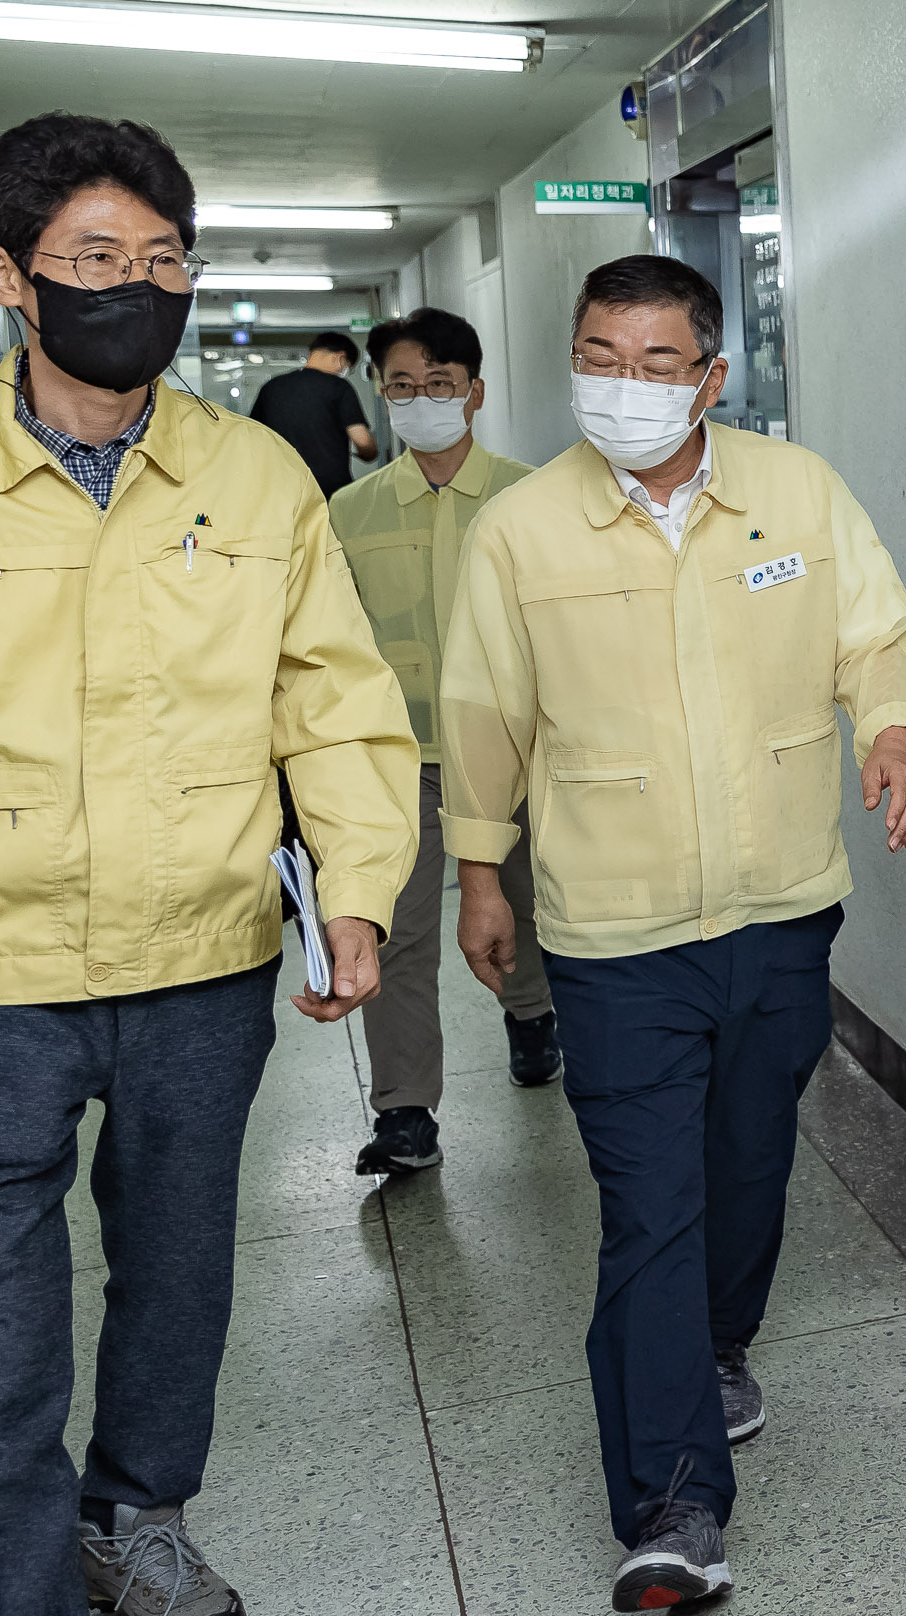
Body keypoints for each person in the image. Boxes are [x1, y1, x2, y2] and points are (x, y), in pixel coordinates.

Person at [0, 113, 418, 1616]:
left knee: (177, 1280)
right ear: (4, 277)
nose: (137, 288)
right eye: (97, 258)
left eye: (165, 261)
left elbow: (337, 699)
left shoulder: (251, 475)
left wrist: (356, 883)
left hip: (197, 959)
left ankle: (135, 1513)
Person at [439, 254, 906, 1616]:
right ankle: (674, 1501)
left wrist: (891, 731)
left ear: (713, 374)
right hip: (609, 925)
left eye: (660, 362)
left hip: (779, 901)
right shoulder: (524, 531)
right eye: (603, 354)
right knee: (650, 1201)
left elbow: (875, 636)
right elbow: (483, 713)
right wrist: (480, 872)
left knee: (751, 1159)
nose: (627, 385)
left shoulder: (799, 493)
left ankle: (717, 1342)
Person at [330, 308, 558, 1175]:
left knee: (529, 903)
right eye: (401, 385)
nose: (421, 400)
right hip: (405, 763)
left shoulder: (533, 498)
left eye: (439, 384)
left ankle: (531, 1015)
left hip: (523, 754)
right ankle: (405, 1112)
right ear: (380, 395)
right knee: (403, 932)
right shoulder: (348, 512)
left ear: (475, 392)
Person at [249, 330, 378, 502]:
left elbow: (253, 437)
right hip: (331, 492)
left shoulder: (271, 387)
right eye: (348, 367)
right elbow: (362, 440)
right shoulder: (338, 387)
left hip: (282, 490)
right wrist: (369, 453)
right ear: (339, 358)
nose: (344, 371)